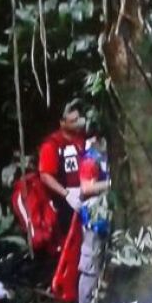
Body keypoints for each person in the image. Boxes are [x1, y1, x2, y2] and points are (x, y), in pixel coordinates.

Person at [39, 100, 87, 245]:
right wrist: (67, 195)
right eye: (73, 121)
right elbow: (45, 175)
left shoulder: (82, 139)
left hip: (87, 195)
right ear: (62, 123)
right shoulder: (51, 145)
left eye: (78, 120)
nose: (78, 124)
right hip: (65, 202)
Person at [77, 137, 111, 303]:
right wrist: (112, 184)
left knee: (104, 266)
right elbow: (86, 187)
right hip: (94, 219)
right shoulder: (91, 158)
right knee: (90, 268)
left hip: (108, 218)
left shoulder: (111, 154)